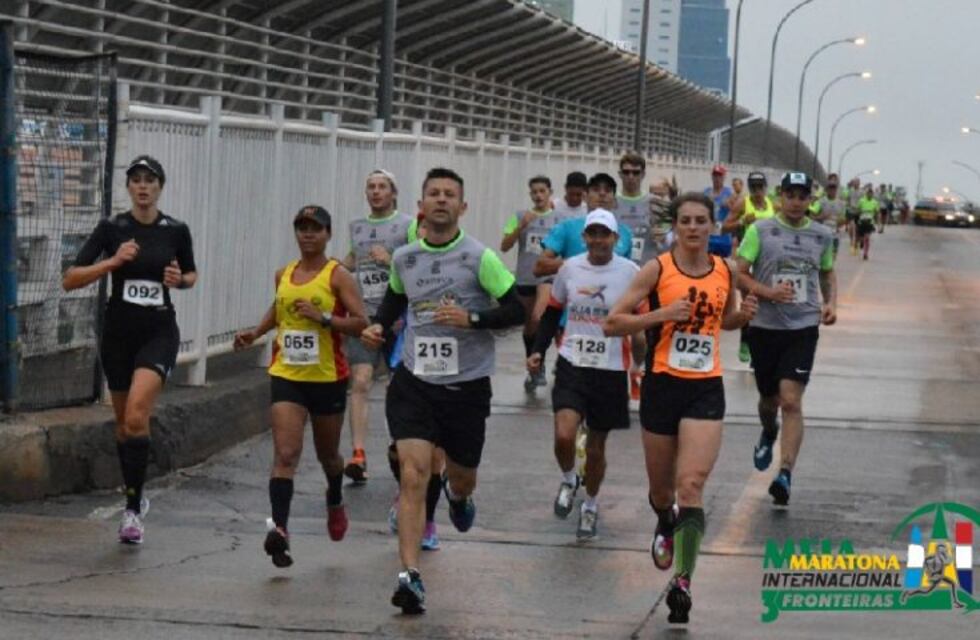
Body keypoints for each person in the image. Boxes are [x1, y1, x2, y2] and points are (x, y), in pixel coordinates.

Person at [361, 168, 524, 614]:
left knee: (462, 473)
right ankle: (409, 575)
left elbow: (517, 310)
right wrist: (378, 326)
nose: (441, 200)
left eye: (449, 194)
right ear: (420, 205)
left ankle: (459, 493)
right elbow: (395, 301)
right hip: (415, 381)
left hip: (466, 386)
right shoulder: (405, 258)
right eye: (433, 193)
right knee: (413, 474)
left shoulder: (479, 258)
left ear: (462, 207)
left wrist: (473, 320)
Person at [604, 192, 758, 625]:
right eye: (685, 221)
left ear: (712, 226)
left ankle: (683, 582)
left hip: (705, 388)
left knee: (691, 485)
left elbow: (722, 320)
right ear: (675, 226)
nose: (692, 228)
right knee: (662, 492)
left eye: (700, 221)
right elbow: (612, 322)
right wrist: (662, 314)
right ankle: (663, 518)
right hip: (661, 386)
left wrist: (743, 316)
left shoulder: (725, 270)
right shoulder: (656, 269)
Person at [63, 155, 196, 545]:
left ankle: (133, 512)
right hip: (118, 333)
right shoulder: (112, 228)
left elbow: (190, 273)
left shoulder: (175, 230)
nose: (143, 187)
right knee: (125, 425)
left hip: (159, 330)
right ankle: (134, 495)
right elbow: (70, 279)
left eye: (150, 180)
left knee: (138, 413)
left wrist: (180, 280)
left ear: (160, 187)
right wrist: (113, 262)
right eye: (136, 180)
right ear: (128, 187)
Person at [234, 206, 368, 568]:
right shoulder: (284, 273)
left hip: (326, 377)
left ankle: (335, 496)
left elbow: (361, 323)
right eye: (302, 228)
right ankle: (279, 529)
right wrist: (255, 333)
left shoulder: (338, 276)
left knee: (328, 456)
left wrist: (323, 317)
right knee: (286, 454)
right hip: (287, 374)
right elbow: (278, 309)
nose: (308, 234)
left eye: (315, 228)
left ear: (328, 234)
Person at [527, 210, 642, 540]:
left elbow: (641, 320)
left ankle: (590, 504)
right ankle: (568, 479)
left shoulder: (631, 272)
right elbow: (552, 313)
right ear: (584, 237)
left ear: (616, 239)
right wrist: (537, 350)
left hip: (610, 368)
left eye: (605, 234)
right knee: (564, 435)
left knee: (595, 448)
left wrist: (640, 360)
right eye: (593, 233)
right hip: (572, 363)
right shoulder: (569, 268)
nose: (598, 240)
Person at [735, 172, 837, 508]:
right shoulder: (760, 230)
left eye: (802, 196)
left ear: (810, 200)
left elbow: (827, 272)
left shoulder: (822, 235)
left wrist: (831, 303)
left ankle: (785, 473)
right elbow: (739, 274)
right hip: (765, 327)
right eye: (790, 195)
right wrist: (768, 293)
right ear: (780, 197)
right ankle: (769, 431)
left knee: (791, 400)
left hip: (803, 327)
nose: (795, 202)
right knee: (769, 400)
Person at [341, 170, 417, 483]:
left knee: (398, 386)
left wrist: (392, 258)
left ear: (393, 193)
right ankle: (358, 455)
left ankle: (399, 446)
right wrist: (334, 267)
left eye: (382, 187)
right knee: (360, 380)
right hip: (365, 316)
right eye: (370, 187)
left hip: (398, 317)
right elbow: (354, 259)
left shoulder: (408, 224)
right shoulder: (357, 227)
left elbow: (419, 261)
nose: (375, 192)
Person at [500, 175, 559, 392]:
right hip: (525, 277)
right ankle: (534, 367)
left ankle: (539, 359)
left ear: (550, 192)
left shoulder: (558, 219)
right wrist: (521, 227)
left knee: (538, 316)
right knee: (529, 326)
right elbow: (504, 246)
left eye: (542, 191)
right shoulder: (520, 216)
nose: (538, 195)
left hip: (548, 277)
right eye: (534, 192)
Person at [722, 171, 775, 364]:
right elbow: (724, 227)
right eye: (753, 187)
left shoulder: (773, 205)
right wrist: (742, 221)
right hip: (747, 258)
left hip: (768, 259)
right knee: (750, 300)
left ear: (765, 187)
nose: (757, 191)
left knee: (766, 304)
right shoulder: (743, 204)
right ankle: (745, 341)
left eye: (760, 186)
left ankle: (760, 347)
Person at [614, 152, 655, 266]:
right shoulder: (611, 202)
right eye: (626, 172)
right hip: (618, 266)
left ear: (643, 174)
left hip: (646, 266)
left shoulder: (654, 203)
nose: (630, 176)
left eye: (636, 172)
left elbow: (665, 239)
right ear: (620, 174)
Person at [808, 173, 846, 257]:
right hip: (822, 234)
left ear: (836, 189)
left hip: (835, 234)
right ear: (827, 189)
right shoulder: (821, 202)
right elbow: (810, 217)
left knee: (833, 256)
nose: (832, 190)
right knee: (822, 256)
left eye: (834, 188)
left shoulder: (841, 204)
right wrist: (821, 217)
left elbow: (843, 220)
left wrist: (840, 222)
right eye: (830, 188)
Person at [704, 164, 734, 258]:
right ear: (712, 177)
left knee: (723, 264)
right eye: (715, 175)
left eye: (719, 176)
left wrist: (729, 205)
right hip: (708, 238)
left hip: (724, 239)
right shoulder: (706, 192)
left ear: (724, 177)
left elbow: (735, 212)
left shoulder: (729, 193)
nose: (717, 178)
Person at [857, 184, 879, 260]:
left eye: (871, 193)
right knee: (861, 238)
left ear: (872, 194)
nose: (870, 195)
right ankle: (861, 242)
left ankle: (865, 253)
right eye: (868, 193)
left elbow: (877, 213)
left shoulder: (875, 202)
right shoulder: (861, 201)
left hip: (870, 222)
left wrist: (878, 223)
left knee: (867, 238)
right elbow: (858, 210)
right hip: (862, 221)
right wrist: (860, 214)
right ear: (866, 194)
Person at [844, 177, 862, 254]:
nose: (856, 184)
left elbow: (863, 201)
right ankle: (851, 240)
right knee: (851, 227)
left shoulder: (862, 192)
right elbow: (847, 199)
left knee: (857, 229)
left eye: (857, 182)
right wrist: (848, 205)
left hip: (858, 212)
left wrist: (860, 209)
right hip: (851, 211)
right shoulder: (850, 191)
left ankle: (856, 243)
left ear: (859, 183)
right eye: (854, 182)